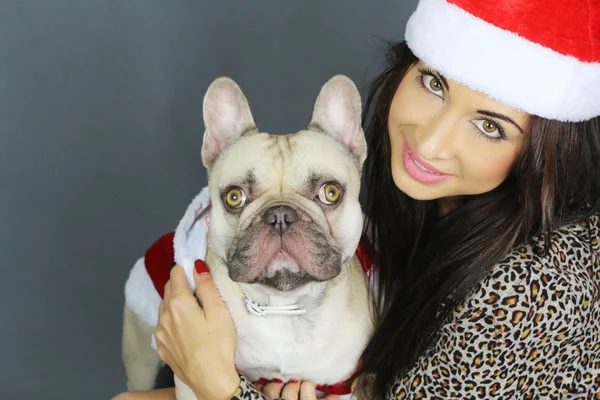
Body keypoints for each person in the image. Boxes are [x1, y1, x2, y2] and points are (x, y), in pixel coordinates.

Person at [113, 0, 600, 398]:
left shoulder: (525, 290)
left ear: (548, 154)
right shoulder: (426, 207)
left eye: (490, 126)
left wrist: (223, 388)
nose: (430, 141)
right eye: (433, 83)